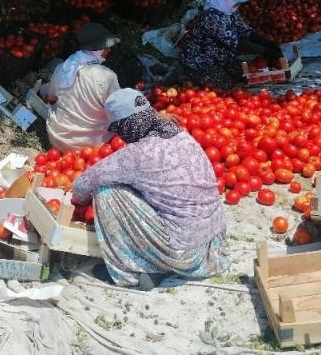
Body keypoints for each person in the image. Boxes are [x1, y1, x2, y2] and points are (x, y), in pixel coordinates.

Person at [72, 88, 229, 290]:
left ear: (126, 126)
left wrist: (77, 202)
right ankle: (160, 262)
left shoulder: (136, 154)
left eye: (119, 129)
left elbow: (82, 185)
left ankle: (131, 269)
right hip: (212, 242)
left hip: (184, 252)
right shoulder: (179, 134)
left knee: (106, 192)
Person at [179, 0, 282, 87]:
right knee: (224, 83)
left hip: (219, 57)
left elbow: (245, 31)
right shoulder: (212, 17)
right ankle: (189, 76)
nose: (238, 4)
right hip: (200, 60)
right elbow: (236, 42)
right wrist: (265, 51)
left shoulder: (230, 11)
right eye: (235, 0)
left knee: (241, 74)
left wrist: (270, 43)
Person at [44, 23, 121, 152]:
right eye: (106, 47)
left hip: (56, 138)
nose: (109, 50)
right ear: (98, 49)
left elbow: (50, 98)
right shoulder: (106, 76)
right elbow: (119, 111)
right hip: (88, 147)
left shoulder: (63, 68)